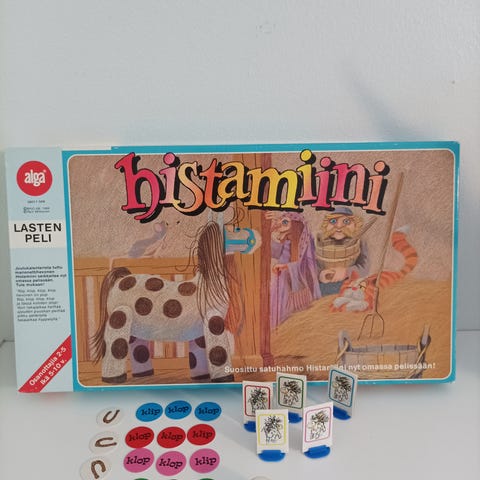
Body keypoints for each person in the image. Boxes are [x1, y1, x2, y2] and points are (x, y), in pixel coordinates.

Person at [267, 211, 320, 328]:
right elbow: (273, 252)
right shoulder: (285, 240)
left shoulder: (305, 242)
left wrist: (288, 267)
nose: (280, 224)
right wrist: (270, 230)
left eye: (285, 222)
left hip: (296, 285)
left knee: (292, 316)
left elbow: (308, 266)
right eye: (280, 221)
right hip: (281, 281)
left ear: (296, 224)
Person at [316, 207, 370, 296]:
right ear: (325, 224)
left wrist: (347, 272)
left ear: (355, 224)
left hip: (351, 285)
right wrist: (319, 274)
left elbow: (365, 268)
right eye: (333, 221)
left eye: (346, 221)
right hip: (323, 287)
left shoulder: (360, 242)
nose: (339, 226)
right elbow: (309, 266)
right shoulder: (318, 242)